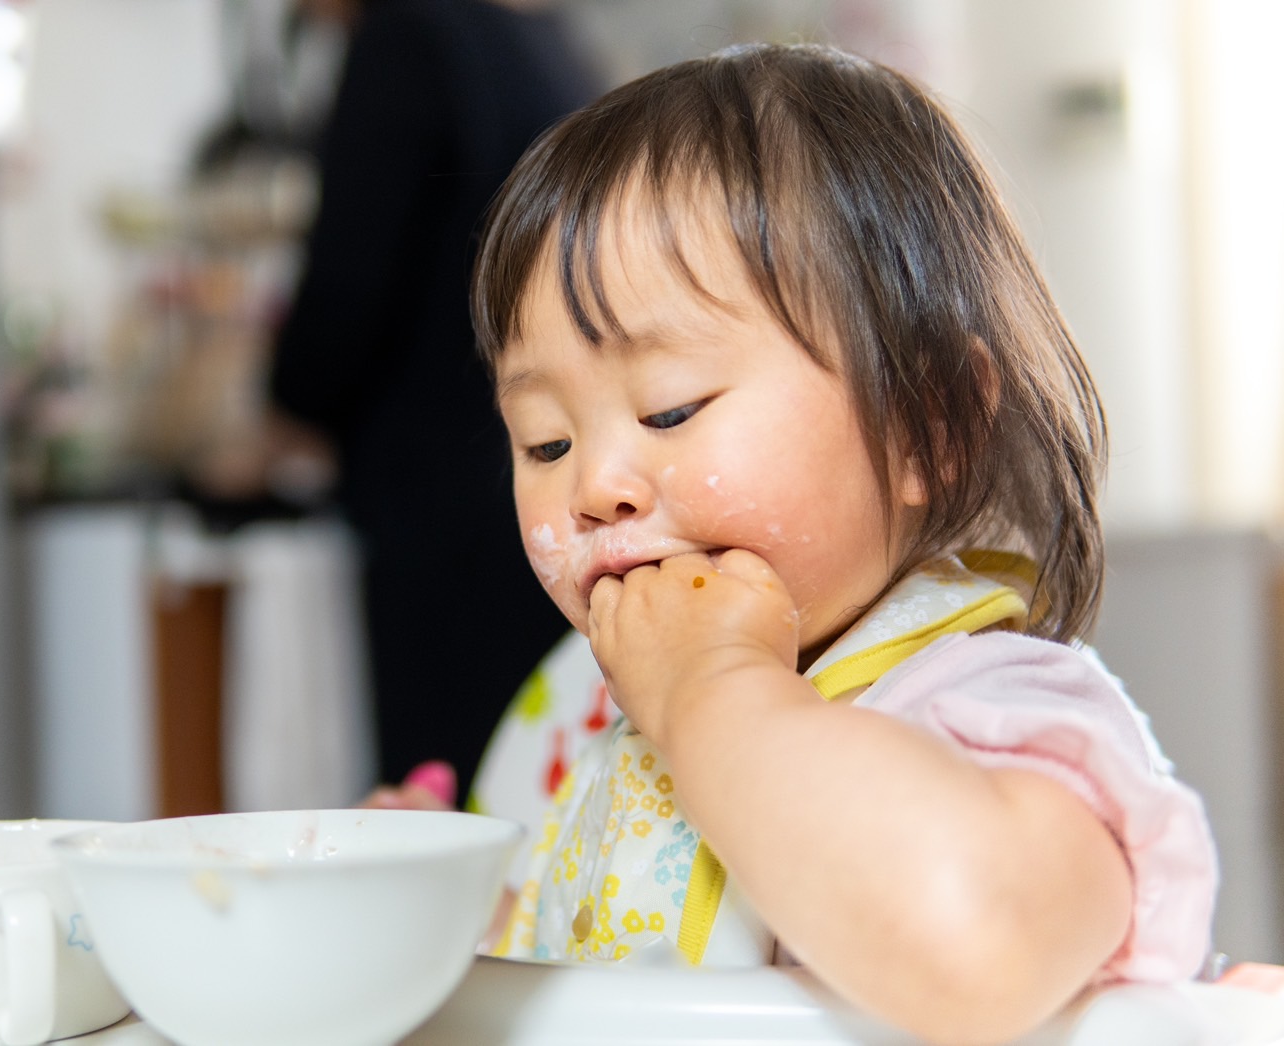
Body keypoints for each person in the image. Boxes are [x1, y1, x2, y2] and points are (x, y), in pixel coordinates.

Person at [466, 42, 1218, 1045]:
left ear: (928, 423)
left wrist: (716, 691)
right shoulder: (598, 733)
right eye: (544, 440)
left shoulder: (987, 713)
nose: (592, 486)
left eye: (670, 408)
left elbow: (972, 944)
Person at [268, 0, 600, 804]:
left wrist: (284, 402)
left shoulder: (408, 35)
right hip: (550, 472)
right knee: (541, 768)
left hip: (445, 503)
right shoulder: (544, 42)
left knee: (454, 780)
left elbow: (346, 285)